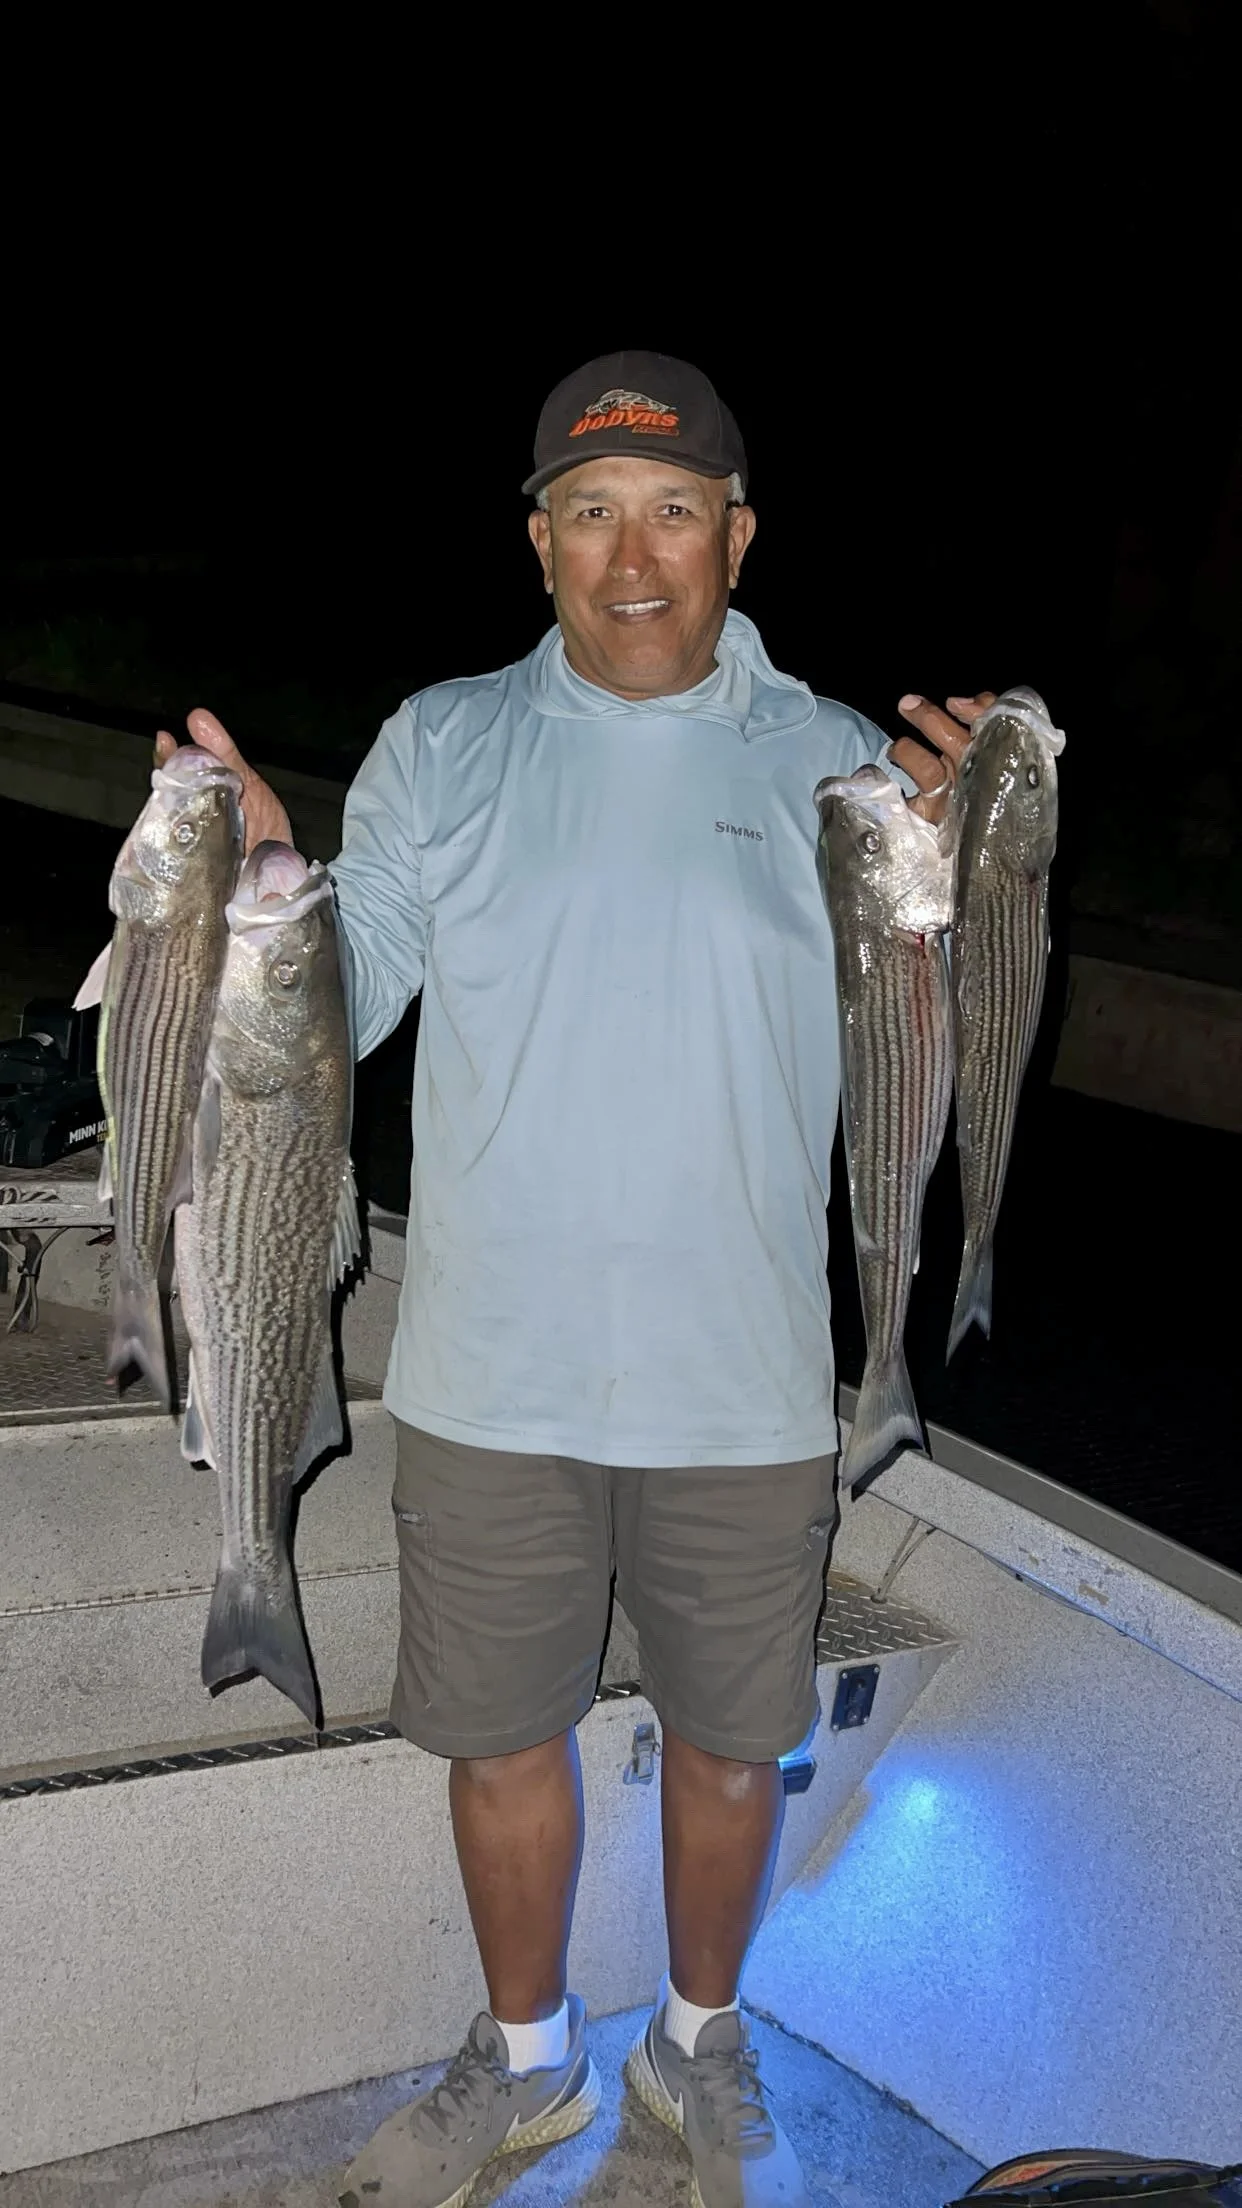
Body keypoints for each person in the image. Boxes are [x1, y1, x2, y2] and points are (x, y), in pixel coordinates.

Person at [159, 351, 992, 2208]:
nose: (638, 559)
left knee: (730, 1745)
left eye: (677, 511)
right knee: (498, 1739)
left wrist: (971, 880)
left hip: (743, 1376)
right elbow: (347, 995)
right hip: (492, 1371)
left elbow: (909, 1063)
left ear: (737, 535)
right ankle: (528, 2061)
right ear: (538, 540)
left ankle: (698, 2049)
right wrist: (272, 896)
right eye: (594, 513)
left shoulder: (835, 766)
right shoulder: (447, 741)